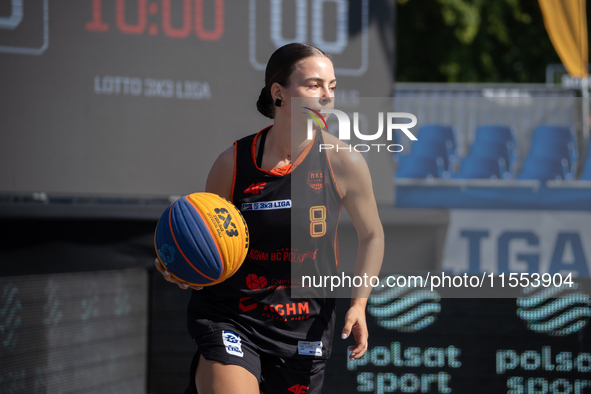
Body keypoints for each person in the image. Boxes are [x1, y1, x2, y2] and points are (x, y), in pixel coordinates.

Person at [155, 43, 384, 394]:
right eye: (313, 85)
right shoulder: (233, 163)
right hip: (233, 317)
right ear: (279, 93)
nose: (326, 97)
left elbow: (372, 236)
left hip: (303, 325)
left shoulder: (344, 163)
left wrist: (359, 303)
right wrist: (185, 270)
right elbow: (207, 239)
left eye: (332, 87)